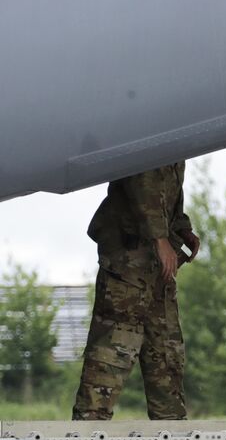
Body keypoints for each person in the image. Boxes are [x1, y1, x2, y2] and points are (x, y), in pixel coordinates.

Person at [73, 162, 199, 420]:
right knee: (112, 353)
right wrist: (159, 238)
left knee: (166, 354)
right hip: (128, 262)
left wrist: (181, 227)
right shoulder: (151, 129)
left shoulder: (176, 139)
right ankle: (86, 434)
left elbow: (166, 193)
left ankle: (173, 438)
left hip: (156, 270)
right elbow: (140, 179)